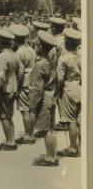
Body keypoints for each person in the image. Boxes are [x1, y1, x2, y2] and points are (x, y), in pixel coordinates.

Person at [29, 30, 59, 167]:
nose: (34, 46)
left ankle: (50, 158)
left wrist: (33, 106)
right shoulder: (51, 62)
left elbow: (37, 89)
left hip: (43, 99)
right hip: (51, 96)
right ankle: (52, 155)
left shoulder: (39, 65)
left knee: (46, 130)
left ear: (40, 47)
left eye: (36, 44)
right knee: (51, 129)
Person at [56, 28, 82, 158]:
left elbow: (60, 78)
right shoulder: (82, 56)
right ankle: (80, 147)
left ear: (67, 43)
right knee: (80, 120)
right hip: (80, 86)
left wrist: (58, 92)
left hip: (69, 87)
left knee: (71, 120)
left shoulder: (64, 59)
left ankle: (72, 147)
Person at [0, 28, 20, 151]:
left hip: (5, 89)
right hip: (13, 87)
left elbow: (0, 75)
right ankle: (12, 139)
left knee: (3, 115)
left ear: (0, 42)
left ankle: (10, 142)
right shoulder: (15, 54)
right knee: (9, 115)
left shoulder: (2, 56)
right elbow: (19, 72)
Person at [11, 24, 37, 145]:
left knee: (24, 109)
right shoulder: (32, 50)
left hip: (25, 81)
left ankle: (28, 135)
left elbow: (20, 71)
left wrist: (17, 84)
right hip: (34, 80)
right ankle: (31, 133)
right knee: (32, 108)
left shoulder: (19, 52)